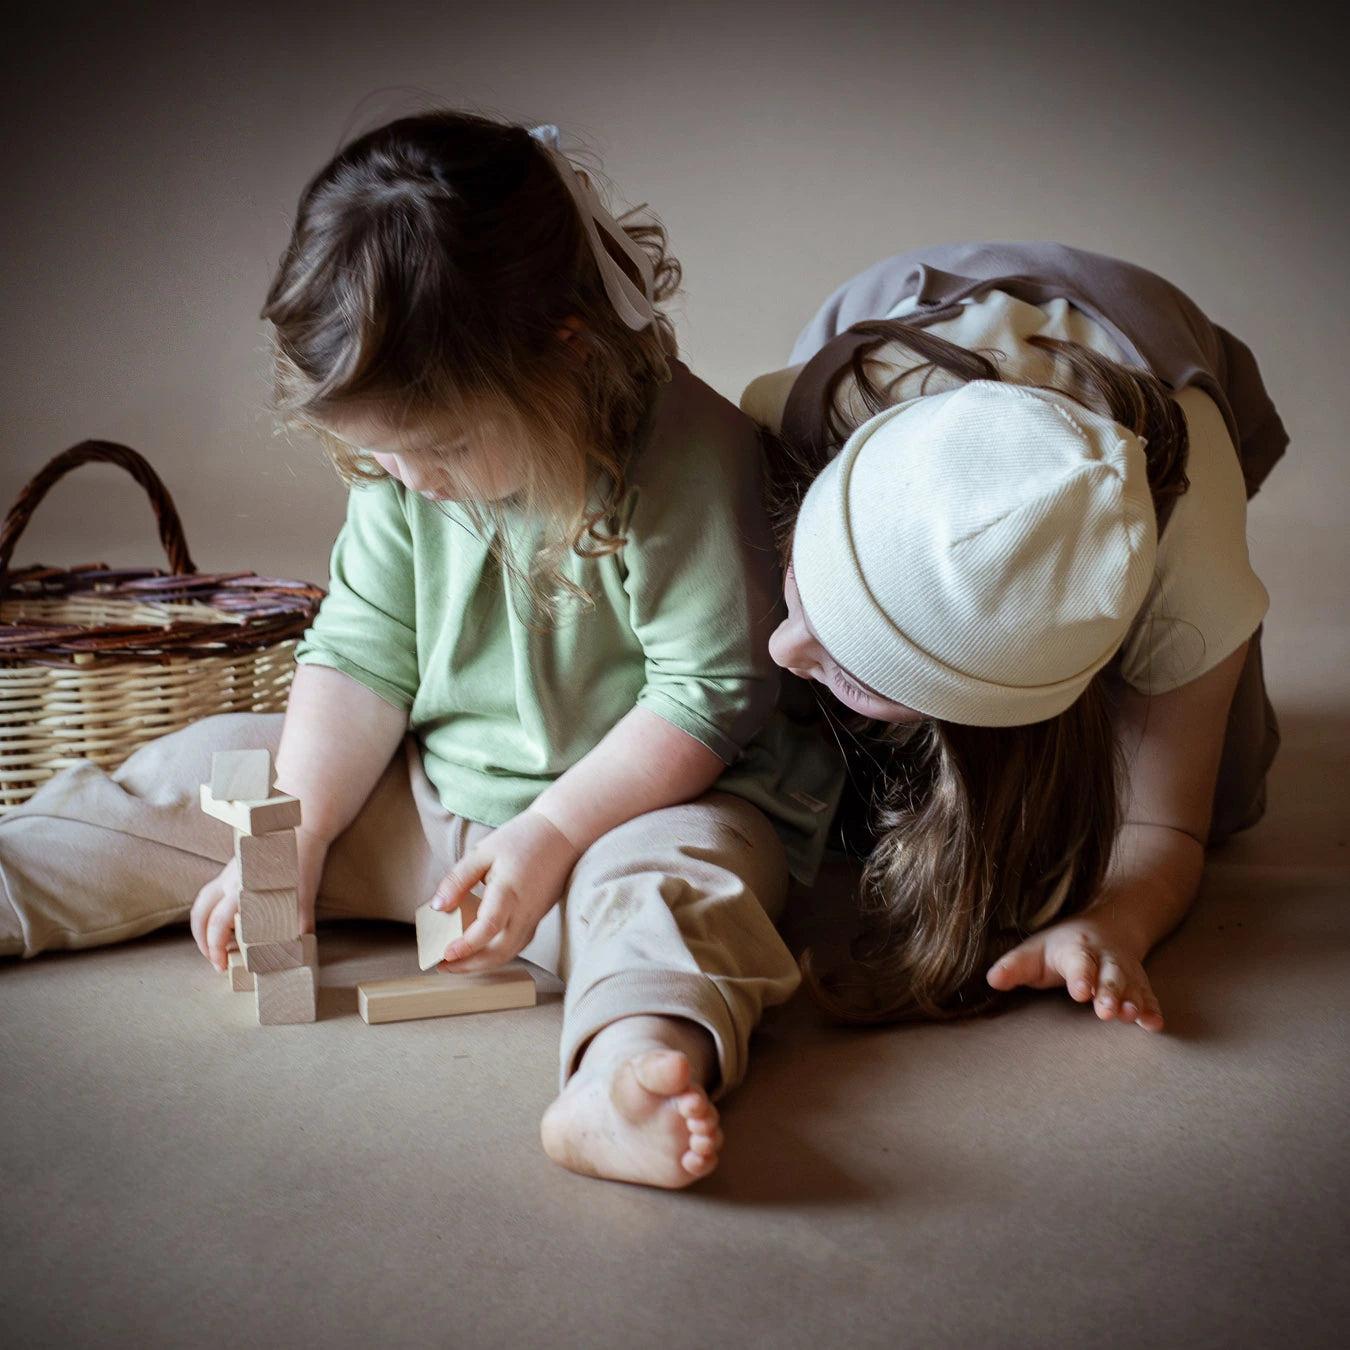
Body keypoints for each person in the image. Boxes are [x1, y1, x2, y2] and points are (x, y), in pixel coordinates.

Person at [0, 111, 841, 1189]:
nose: (409, 477)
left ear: (565, 356)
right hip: (437, 812)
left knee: (680, 895)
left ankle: (625, 1073)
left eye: (436, 447)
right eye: (381, 455)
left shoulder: (686, 455)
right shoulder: (403, 474)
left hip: (627, 820)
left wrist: (549, 834)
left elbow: (710, 699)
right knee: (203, 772)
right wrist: (296, 839)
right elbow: (358, 658)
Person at [742, 241, 1284, 1033]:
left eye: (860, 670)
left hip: (1160, 352)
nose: (781, 649)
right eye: (803, 592)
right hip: (907, 336)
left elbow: (1165, 825)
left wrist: (1113, 922)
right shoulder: (804, 411)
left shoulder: (1193, 572)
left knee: (1218, 780)